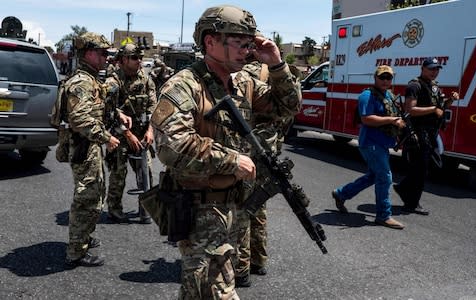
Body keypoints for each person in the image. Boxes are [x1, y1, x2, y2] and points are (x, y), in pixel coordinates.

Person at [150, 5, 301, 299]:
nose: (248, 50)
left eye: (250, 44)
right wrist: (232, 160)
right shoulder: (184, 85)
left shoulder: (242, 82)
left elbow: (288, 107)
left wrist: (278, 65)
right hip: (200, 209)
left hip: (234, 207)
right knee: (216, 292)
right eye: (240, 43)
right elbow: (171, 146)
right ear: (210, 42)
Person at [64, 32, 130, 267]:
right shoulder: (82, 81)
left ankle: (83, 237)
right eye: (102, 53)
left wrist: (117, 113)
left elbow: (96, 108)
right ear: (89, 53)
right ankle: (76, 251)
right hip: (85, 146)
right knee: (87, 198)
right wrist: (106, 137)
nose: (106, 57)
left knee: (94, 193)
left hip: (89, 145)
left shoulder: (91, 79)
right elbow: (80, 119)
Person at [232, 60, 300, 287]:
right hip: (269, 147)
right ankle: (258, 260)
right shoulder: (274, 71)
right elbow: (288, 114)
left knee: (243, 208)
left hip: (249, 147)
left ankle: (241, 268)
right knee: (259, 206)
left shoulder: (245, 73)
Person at [332, 65, 406, 230]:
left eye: (389, 78)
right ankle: (383, 216)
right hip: (371, 144)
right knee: (385, 177)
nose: (386, 81)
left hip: (383, 144)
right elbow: (366, 119)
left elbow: (394, 118)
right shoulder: (367, 96)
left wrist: (398, 127)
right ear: (375, 78)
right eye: (383, 77)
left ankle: (341, 193)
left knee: (373, 176)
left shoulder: (389, 95)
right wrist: (391, 120)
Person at [393, 57, 459, 215]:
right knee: (421, 168)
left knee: (431, 165)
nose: (434, 72)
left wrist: (450, 100)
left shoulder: (434, 86)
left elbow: (440, 107)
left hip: (431, 132)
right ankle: (411, 203)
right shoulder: (414, 85)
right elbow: (411, 109)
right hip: (418, 131)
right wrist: (433, 110)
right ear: (422, 69)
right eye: (431, 69)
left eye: (436, 69)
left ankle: (403, 188)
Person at [105, 43, 157, 224]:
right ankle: (114, 209)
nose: (139, 61)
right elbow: (109, 111)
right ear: (124, 60)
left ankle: (145, 209)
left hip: (142, 135)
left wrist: (150, 131)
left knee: (147, 172)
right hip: (120, 135)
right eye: (135, 58)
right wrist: (127, 135)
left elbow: (154, 108)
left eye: (140, 58)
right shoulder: (113, 81)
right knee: (118, 173)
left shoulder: (146, 79)